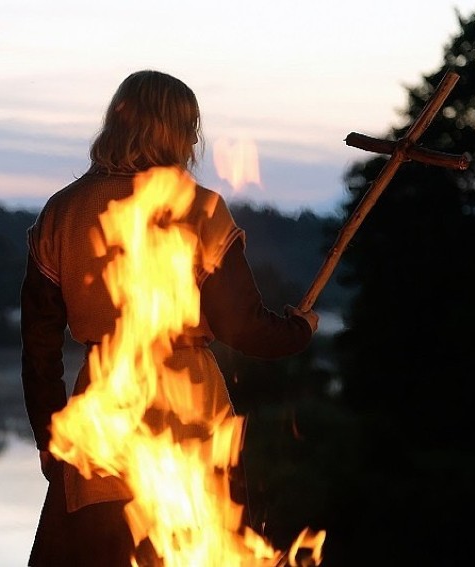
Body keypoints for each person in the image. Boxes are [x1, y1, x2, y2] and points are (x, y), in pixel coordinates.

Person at [20, 69, 319, 567]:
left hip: (97, 423)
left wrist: (52, 441)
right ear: (179, 131)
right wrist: (299, 330)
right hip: (192, 423)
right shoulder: (199, 209)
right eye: (192, 126)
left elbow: (39, 351)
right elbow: (241, 326)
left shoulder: (62, 211)